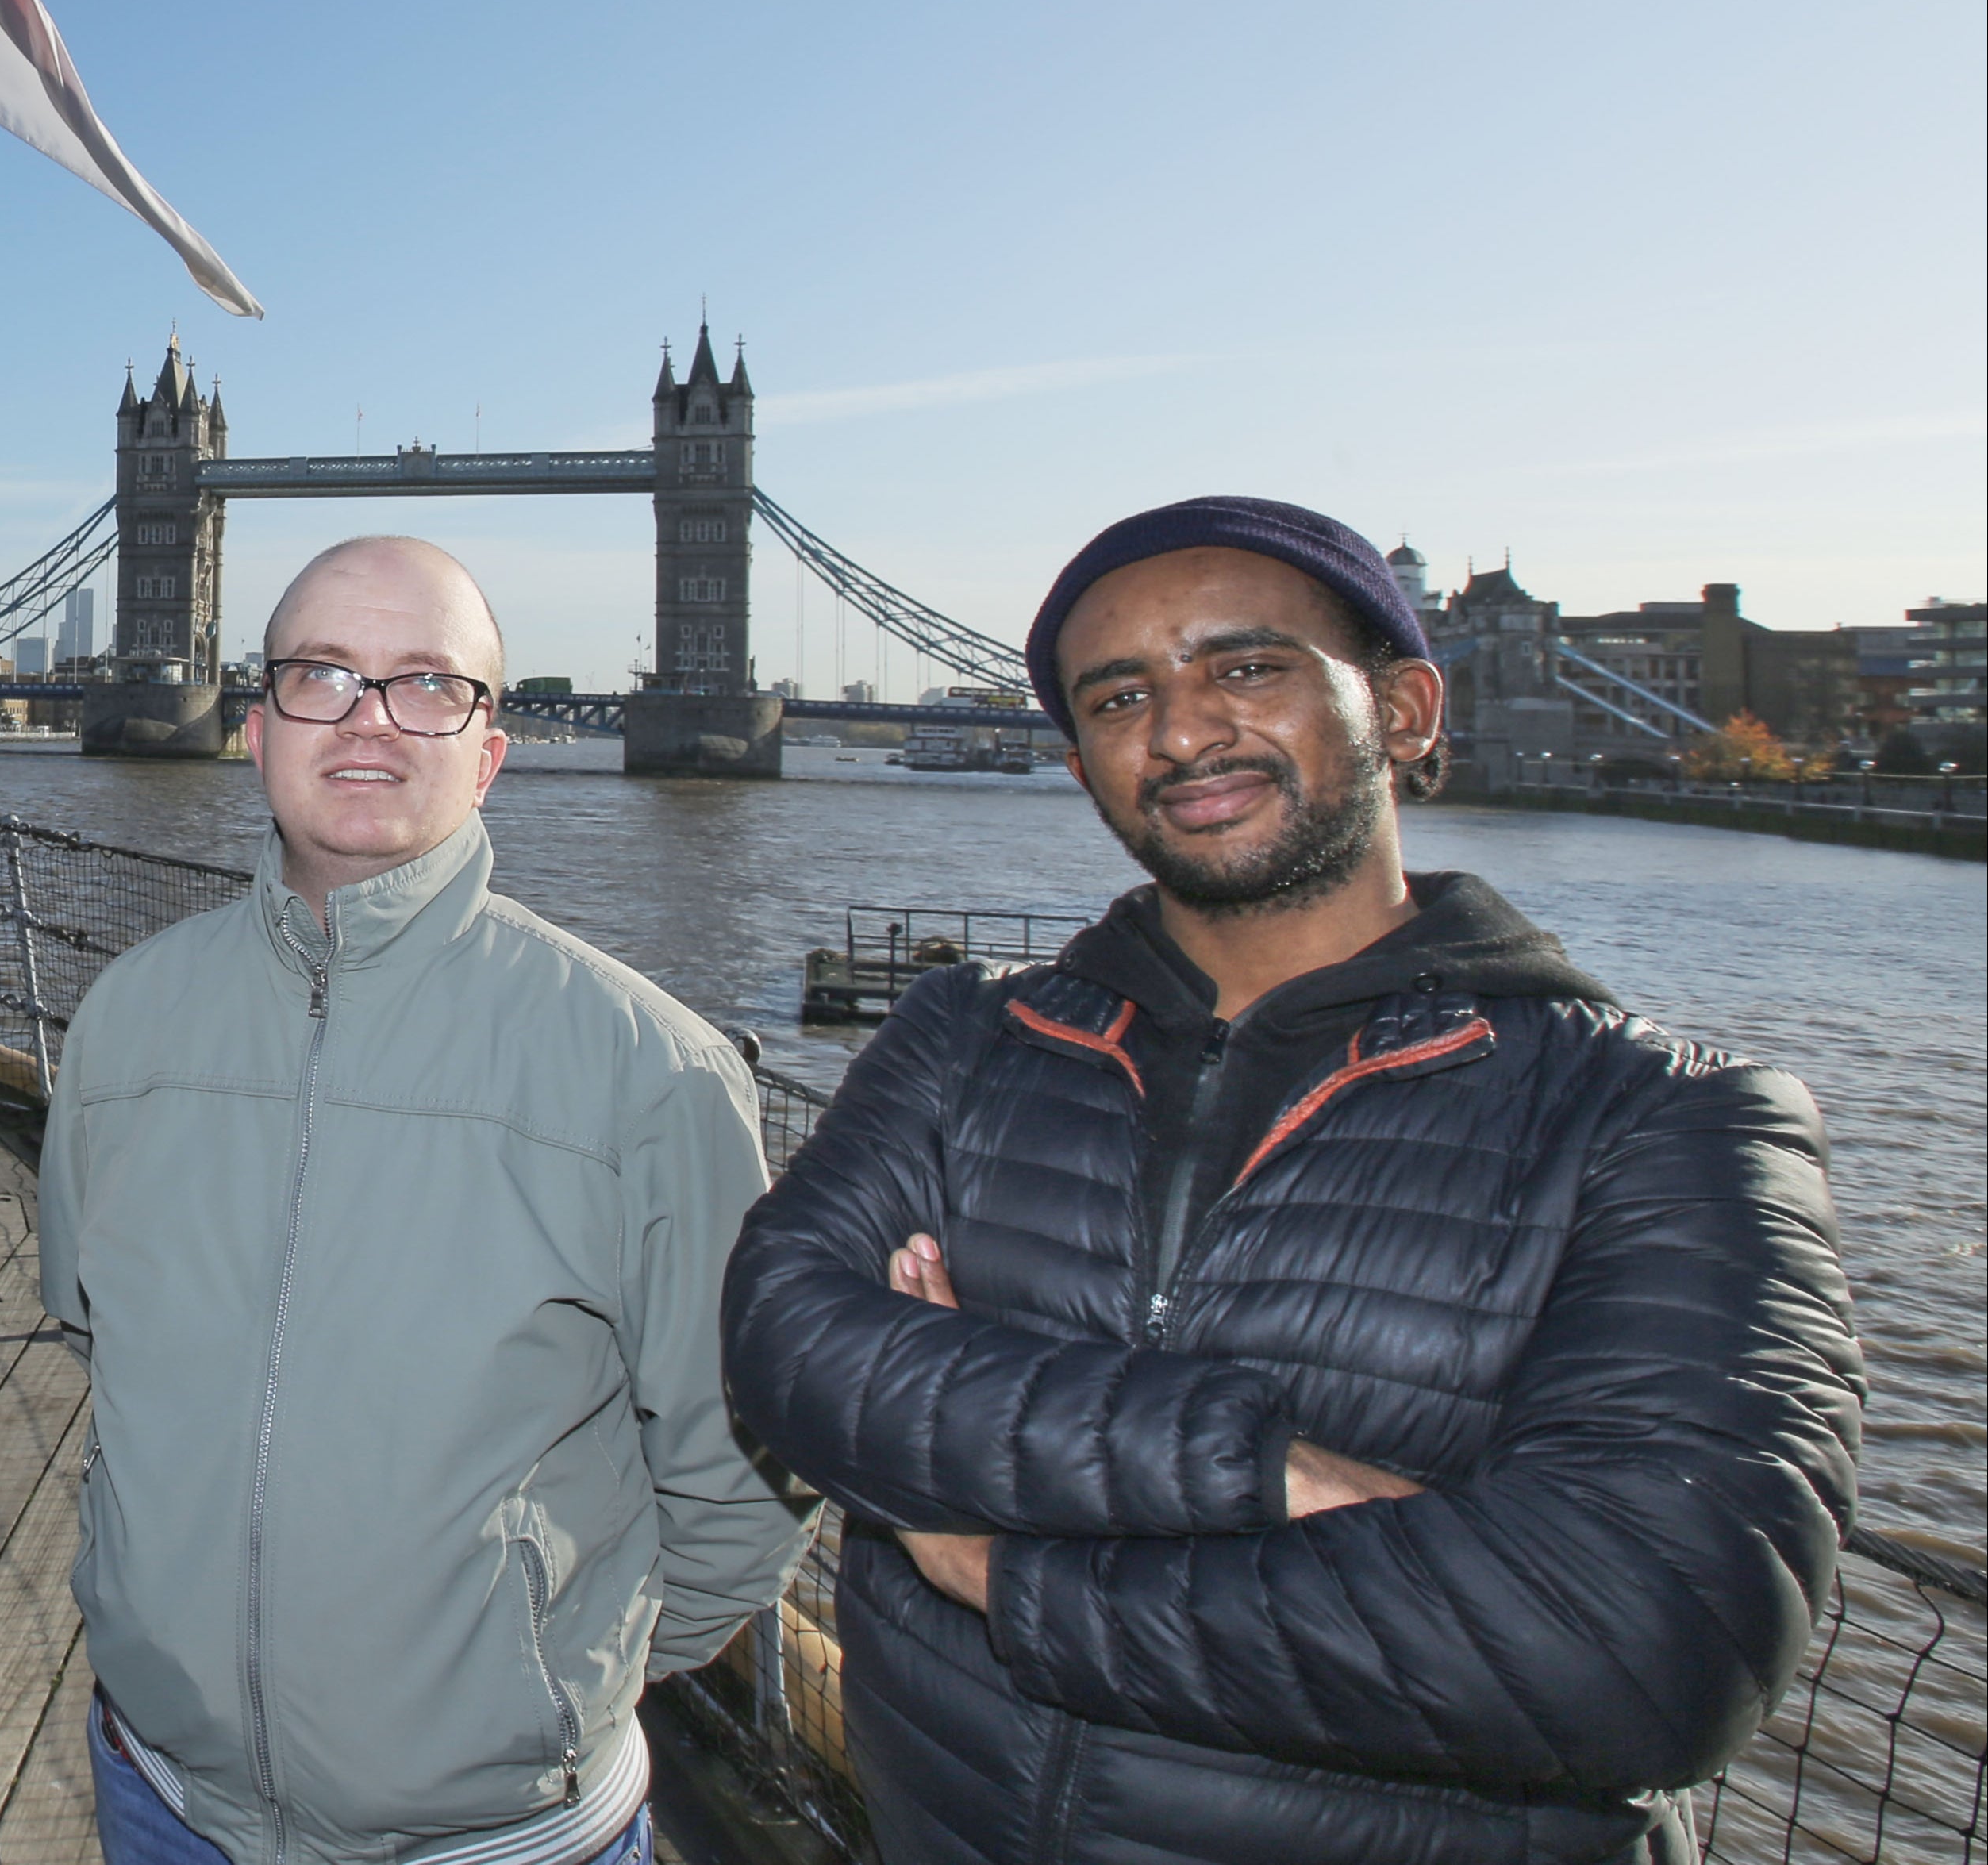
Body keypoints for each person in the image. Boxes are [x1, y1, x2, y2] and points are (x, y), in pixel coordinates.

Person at [721, 496, 1865, 1865]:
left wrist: (1002, 1566)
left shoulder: (1669, 1119)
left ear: (1407, 709)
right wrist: (1281, 1474)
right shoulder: (966, 1033)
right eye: (1120, 696)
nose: (1182, 729)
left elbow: (1638, 1652)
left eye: (1247, 667)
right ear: (1081, 764)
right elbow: (782, 1337)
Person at [40, 536, 810, 1865]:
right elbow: (91, 1330)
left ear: (491, 750)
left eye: (430, 684)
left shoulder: (656, 1074)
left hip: (506, 1837)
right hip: (163, 1797)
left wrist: (548, 1686)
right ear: (255, 725)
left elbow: (749, 1470)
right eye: (322, 675)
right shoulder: (125, 1022)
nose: (370, 718)